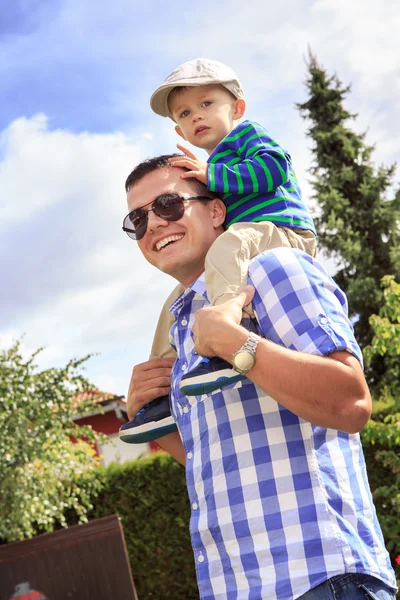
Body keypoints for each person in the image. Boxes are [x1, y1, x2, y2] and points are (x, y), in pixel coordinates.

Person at [120, 154, 397, 599]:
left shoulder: (274, 269)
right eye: (137, 218)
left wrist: (236, 345)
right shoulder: (182, 325)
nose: (152, 224)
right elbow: (215, 463)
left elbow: (351, 403)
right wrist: (150, 413)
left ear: (216, 211)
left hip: (322, 579)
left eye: (169, 204)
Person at [120, 57, 317, 443]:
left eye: (207, 104)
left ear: (237, 108)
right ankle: (159, 404)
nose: (197, 116)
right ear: (179, 129)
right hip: (249, 236)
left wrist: (213, 176)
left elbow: (275, 169)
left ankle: (229, 331)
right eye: (186, 112)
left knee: (228, 246)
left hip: (282, 230)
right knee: (175, 305)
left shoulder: (247, 138)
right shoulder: (216, 162)